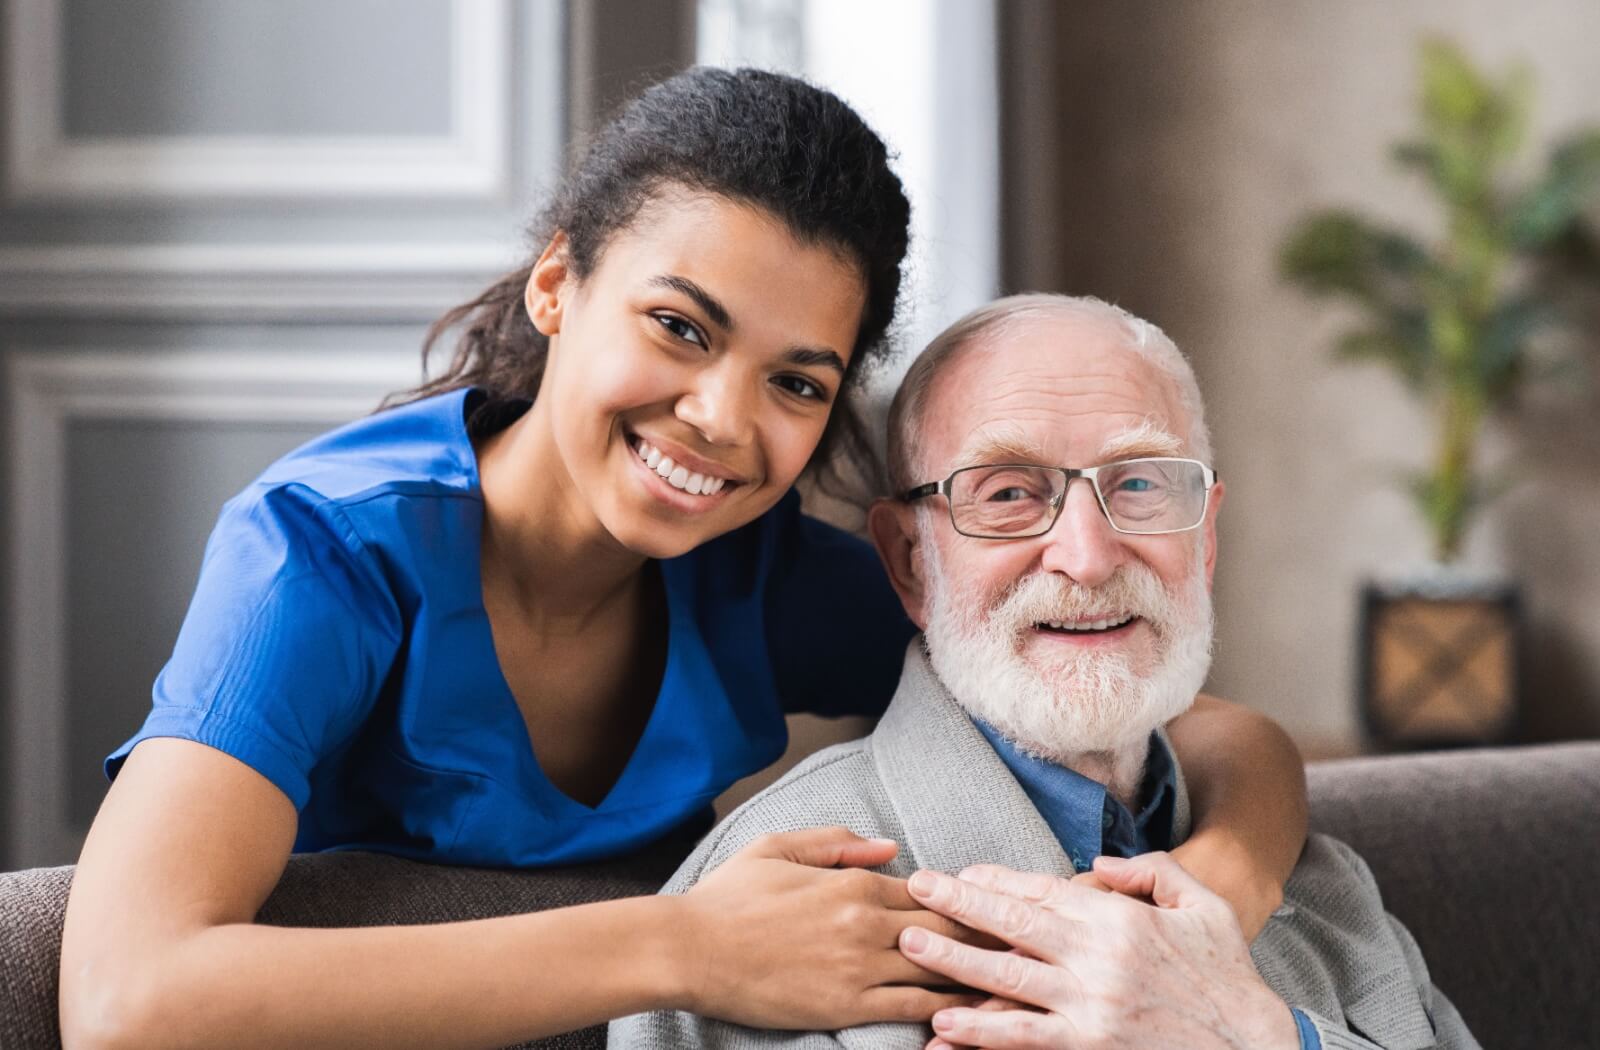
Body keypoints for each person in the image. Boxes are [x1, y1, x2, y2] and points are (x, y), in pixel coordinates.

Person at [59, 70, 1307, 1050]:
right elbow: (125, 998)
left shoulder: (755, 575)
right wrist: (685, 949)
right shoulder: (319, 557)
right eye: (679, 327)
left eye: (795, 382)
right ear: (558, 283)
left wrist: (1211, 898)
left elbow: (1220, 734)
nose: (719, 417)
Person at [612, 295, 1478, 1050]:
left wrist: (1263, 1039)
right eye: (1007, 493)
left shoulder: (1324, 886)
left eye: (1139, 484)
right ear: (911, 561)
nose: (1089, 557)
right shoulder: (781, 914)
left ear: (1204, 540)